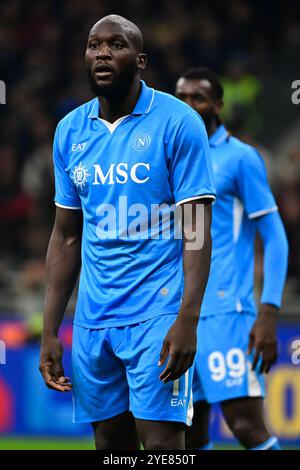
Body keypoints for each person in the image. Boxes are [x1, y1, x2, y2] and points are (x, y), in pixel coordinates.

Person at [39, 16, 216, 450]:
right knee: (111, 449)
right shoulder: (70, 131)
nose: (102, 53)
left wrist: (187, 319)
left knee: (160, 448)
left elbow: (195, 229)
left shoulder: (178, 122)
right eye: (93, 45)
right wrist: (49, 330)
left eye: (115, 45)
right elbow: (65, 237)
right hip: (93, 321)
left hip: (157, 315)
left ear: (140, 61)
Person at [175, 67, 288, 451]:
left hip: (227, 312)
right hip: (178, 315)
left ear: (218, 105)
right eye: (182, 97)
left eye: (198, 98)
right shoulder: (172, 157)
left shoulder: (241, 158)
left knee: (244, 425)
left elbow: (275, 237)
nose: (189, 105)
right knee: (186, 434)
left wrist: (269, 311)